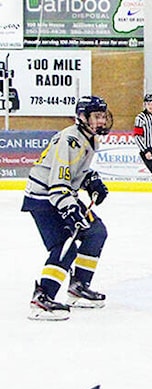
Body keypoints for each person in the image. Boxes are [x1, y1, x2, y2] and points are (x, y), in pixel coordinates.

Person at [22, 95, 111, 320]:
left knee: (95, 231)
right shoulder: (70, 139)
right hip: (43, 199)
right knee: (65, 247)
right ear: (82, 117)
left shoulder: (88, 138)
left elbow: (73, 173)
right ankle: (42, 298)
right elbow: (57, 182)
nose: (101, 121)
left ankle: (78, 287)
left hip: (61, 196)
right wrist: (70, 210)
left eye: (103, 116)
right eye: (96, 117)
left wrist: (90, 180)